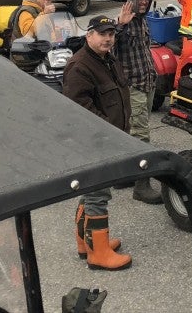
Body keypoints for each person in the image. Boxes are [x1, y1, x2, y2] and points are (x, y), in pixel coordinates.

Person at [62, 15, 132, 271]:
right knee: (98, 194)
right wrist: (108, 132)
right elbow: (80, 109)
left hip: (110, 137)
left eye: (111, 34)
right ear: (89, 35)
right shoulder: (79, 66)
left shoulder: (107, 60)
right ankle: (98, 253)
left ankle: (85, 242)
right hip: (95, 141)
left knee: (91, 191)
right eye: (102, 34)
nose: (108, 38)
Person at [115, 0, 162, 204]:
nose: (143, 3)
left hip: (148, 81)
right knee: (141, 134)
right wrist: (119, 26)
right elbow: (108, 44)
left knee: (132, 130)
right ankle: (142, 187)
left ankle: (125, 175)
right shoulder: (123, 22)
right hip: (132, 85)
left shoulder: (143, 21)